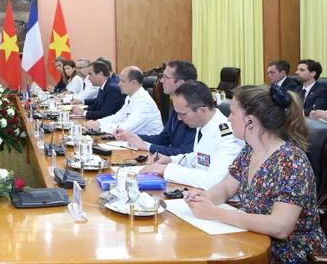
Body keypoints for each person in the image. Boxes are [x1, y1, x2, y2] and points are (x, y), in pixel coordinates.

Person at [185, 84, 327, 262]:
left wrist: (215, 213)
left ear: (250, 121)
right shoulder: (250, 150)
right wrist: (203, 198)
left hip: (290, 253)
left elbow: (280, 227)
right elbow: (226, 188)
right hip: (253, 240)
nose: (228, 118)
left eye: (233, 113)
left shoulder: (291, 161)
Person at [141, 80, 244, 189]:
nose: (179, 118)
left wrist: (167, 170)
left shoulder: (228, 137)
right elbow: (199, 158)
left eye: (182, 114)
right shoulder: (203, 124)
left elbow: (214, 181)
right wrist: (171, 160)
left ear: (201, 111)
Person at [115, 60, 197, 155]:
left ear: (180, 83)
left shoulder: (194, 110)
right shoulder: (176, 107)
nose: (161, 81)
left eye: (166, 77)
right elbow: (163, 139)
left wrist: (147, 146)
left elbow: (184, 152)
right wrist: (133, 137)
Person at [84, 66, 163, 135]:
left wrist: (100, 127)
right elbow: (118, 117)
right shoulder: (130, 97)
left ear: (133, 83)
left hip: (149, 144)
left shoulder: (144, 102)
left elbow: (126, 128)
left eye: (122, 81)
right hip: (134, 141)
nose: (119, 84)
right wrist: (98, 122)